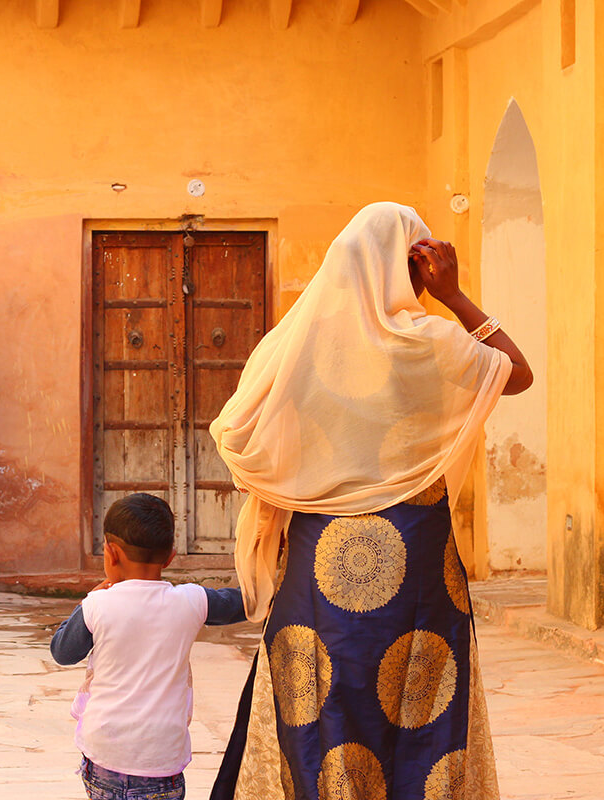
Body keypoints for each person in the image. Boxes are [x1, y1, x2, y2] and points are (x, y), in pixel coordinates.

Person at [207, 202, 532, 800]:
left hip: (318, 561)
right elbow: (516, 372)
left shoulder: (299, 347)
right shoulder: (429, 342)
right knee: (417, 708)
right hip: (415, 562)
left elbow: (234, 432)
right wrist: (456, 298)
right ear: (413, 268)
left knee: (321, 702)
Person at [51, 493, 248, 800]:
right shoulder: (192, 601)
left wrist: (85, 602)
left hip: (105, 754)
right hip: (161, 761)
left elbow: (62, 652)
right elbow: (241, 604)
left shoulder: (98, 605)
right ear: (169, 556)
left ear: (111, 553)